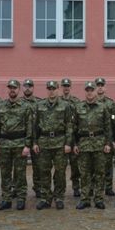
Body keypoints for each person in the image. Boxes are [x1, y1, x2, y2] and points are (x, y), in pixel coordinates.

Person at [0, 80, 33, 210]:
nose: (12, 90)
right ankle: (6, 199)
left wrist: (27, 145)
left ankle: (21, 198)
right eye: (10, 88)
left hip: (20, 143)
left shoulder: (25, 106)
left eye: (14, 88)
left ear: (19, 89)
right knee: (5, 173)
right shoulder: (1, 106)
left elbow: (29, 127)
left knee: (20, 173)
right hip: (4, 144)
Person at [34, 81, 73, 210]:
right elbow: (35, 126)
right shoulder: (39, 106)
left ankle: (59, 197)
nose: (51, 91)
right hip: (44, 142)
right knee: (44, 172)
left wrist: (68, 143)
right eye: (49, 88)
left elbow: (69, 125)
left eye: (54, 88)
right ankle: (45, 198)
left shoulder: (65, 106)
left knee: (60, 172)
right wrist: (35, 142)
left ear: (58, 90)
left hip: (59, 142)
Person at [73, 82, 113, 209]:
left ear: (96, 92)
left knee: (100, 173)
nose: (89, 92)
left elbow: (108, 127)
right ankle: (85, 198)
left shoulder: (102, 107)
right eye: (87, 90)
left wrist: (108, 143)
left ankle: (99, 198)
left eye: (92, 90)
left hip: (99, 143)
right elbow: (73, 128)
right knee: (84, 173)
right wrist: (74, 143)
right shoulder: (78, 107)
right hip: (84, 144)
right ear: (85, 92)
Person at [95, 77, 115, 197]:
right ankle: (95, 186)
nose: (100, 87)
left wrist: (112, 139)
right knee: (95, 164)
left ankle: (108, 187)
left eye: (102, 85)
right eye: (98, 85)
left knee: (108, 164)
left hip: (107, 138)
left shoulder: (110, 103)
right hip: (95, 139)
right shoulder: (91, 101)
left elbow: (113, 122)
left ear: (105, 87)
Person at [61, 78, 81, 197]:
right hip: (61, 138)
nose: (66, 88)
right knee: (60, 166)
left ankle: (76, 187)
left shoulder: (76, 102)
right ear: (61, 87)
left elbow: (79, 121)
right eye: (64, 86)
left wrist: (77, 142)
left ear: (70, 87)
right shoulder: (57, 101)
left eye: (68, 86)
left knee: (75, 165)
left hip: (73, 138)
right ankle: (60, 188)